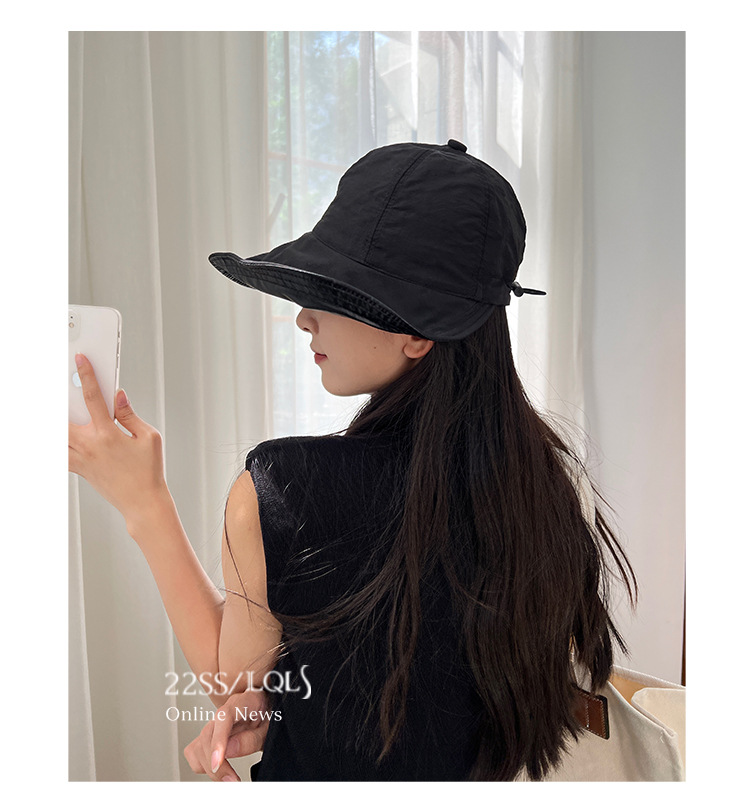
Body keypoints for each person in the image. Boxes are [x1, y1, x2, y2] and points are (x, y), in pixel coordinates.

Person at [68, 140, 637, 782]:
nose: (303, 319)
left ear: (417, 332)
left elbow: (234, 688)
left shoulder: (286, 492)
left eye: (333, 292)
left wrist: (145, 503)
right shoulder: (544, 488)